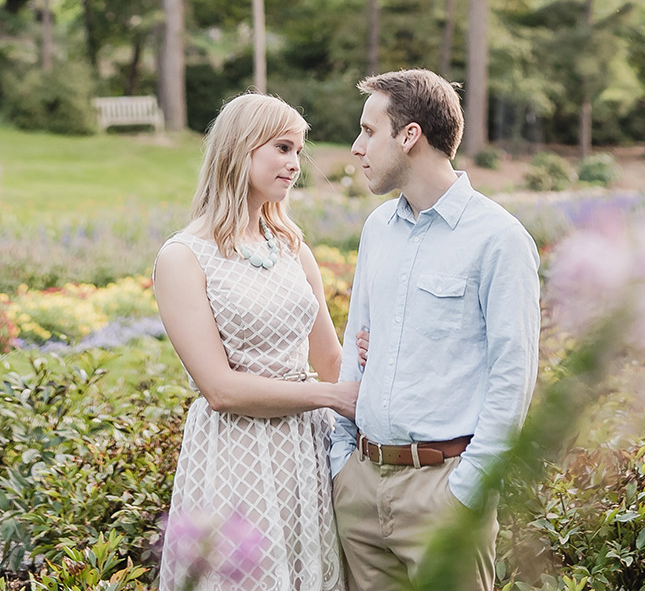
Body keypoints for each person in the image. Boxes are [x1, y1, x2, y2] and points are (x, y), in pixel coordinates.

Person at [331, 69, 541, 591]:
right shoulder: (377, 229)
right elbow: (354, 351)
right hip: (359, 486)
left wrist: (466, 492)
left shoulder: (499, 239)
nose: (356, 149)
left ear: (409, 136)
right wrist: (341, 466)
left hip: (444, 494)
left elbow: (512, 379)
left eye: (368, 131)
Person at [154, 92, 359, 591]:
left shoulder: (293, 248)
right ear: (241, 149)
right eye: (283, 148)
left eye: (298, 151)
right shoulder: (183, 257)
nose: (295, 164)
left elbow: (330, 357)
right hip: (234, 451)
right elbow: (220, 388)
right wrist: (331, 397)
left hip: (306, 453)